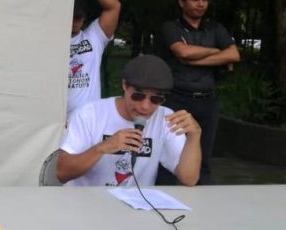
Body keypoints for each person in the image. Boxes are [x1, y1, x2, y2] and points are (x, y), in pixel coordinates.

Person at [57, 54, 201, 187]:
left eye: (156, 99)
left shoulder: (166, 118)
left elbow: (189, 179)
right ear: (124, 85)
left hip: (135, 202)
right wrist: (102, 148)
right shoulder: (89, 114)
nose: (145, 106)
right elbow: (62, 173)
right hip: (88, 201)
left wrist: (194, 136)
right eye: (138, 96)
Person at [158, 0, 239, 185]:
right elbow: (182, 52)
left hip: (207, 101)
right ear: (181, 2)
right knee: (169, 155)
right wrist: (216, 51)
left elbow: (234, 55)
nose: (201, 4)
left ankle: (202, 200)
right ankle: (163, 197)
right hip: (176, 100)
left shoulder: (215, 28)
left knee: (203, 158)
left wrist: (195, 58)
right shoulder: (171, 27)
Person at [67, 0, 121, 117]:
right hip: (53, 120)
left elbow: (114, 7)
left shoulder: (94, 37)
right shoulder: (48, 40)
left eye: (78, 16)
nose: (74, 21)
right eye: (70, 16)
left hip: (88, 119)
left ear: (84, 16)